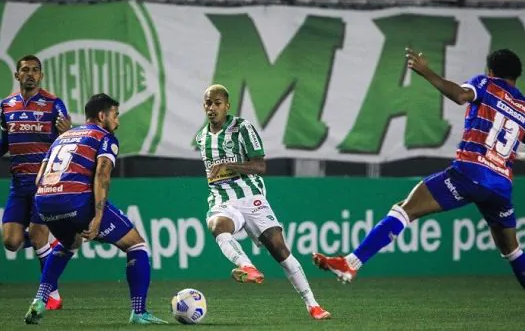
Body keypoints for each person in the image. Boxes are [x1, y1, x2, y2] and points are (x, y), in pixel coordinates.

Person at [313, 48, 525, 290]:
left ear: (491, 70)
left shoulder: (486, 84)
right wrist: (511, 154)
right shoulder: (522, 106)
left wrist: (426, 72)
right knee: (512, 250)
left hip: (471, 173)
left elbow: (460, 95)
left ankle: (351, 263)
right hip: (500, 186)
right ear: (516, 76)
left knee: (405, 210)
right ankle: (349, 263)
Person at [24, 93, 166, 325]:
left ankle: (40, 299)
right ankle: (139, 313)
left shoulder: (64, 137)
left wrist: (46, 210)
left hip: (44, 200)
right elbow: (102, 174)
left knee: (69, 243)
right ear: (102, 116)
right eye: (115, 115)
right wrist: (98, 216)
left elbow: (40, 176)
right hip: (74, 200)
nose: (117, 121)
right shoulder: (104, 137)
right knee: (137, 245)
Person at [195, 84, 331, 320]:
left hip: (251, 197)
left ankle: (313, 305)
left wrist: (230, 165)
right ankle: (247, 266)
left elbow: (260, 165)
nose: (212, 108)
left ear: (227, 105)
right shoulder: (202, 137)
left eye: (217, 103)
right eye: (208, 103)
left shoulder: (241, 127)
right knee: (217, 226)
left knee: (279, 249)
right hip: (223, 199)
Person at [1, 54, 71, 309]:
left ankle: (50, 294)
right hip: (19, 185)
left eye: (35, 70)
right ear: (17, 75)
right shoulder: (6, 106)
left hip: (45, 182)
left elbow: (67, 139)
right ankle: (51, 246)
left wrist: (67, 133)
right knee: (11, 242)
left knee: (38, 236)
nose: (30, 74)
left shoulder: (53, 104)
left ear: (40, 76)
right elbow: (4, 142)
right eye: (25, 70)